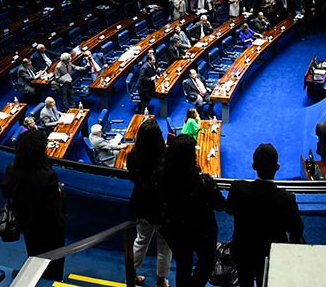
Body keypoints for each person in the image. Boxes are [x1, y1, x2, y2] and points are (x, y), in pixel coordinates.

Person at [226, 143, 304, 287]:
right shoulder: (286, 198)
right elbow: (297, 229)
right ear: (277, 167)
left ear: (254, 166)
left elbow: (229, 210)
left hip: (243, 251)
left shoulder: (237, 189)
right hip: (271, 254)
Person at [160, 135, 225, 287]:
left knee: (183, 265)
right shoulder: (203, 182)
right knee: (206, 262)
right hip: (202, 231)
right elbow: (220, 205)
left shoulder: (163, 178)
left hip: (176, 230)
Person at [2, 130, 66, 279]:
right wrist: (59, 191)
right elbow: (53, 209)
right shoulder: (47, 175)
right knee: (54, 260)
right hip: (49, 228)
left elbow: (6, 193)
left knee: (33, 253)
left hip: (26, 224)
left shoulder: (11, 169)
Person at [127, 118, 171, 287]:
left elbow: (133, 177)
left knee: (140, 240)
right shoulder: (167, 158)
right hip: (163, 207)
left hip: (142, 204)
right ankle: (161, 280)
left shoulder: (133, 156)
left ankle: (131, 275)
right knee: (165, 246)